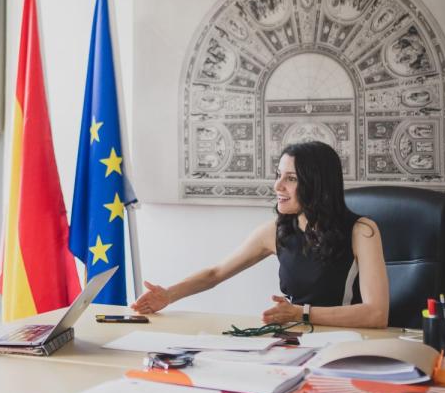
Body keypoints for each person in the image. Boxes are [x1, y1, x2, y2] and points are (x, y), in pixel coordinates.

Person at [132, 141, 389, 328]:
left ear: (316, 185)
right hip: (294, 338)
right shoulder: (276, 231)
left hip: (346, 342)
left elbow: (376, 314)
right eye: (278, 175)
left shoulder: (362, 232)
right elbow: (216, 273)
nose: (277, 186)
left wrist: (302, 313)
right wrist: (168, 295)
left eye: (291, 178)